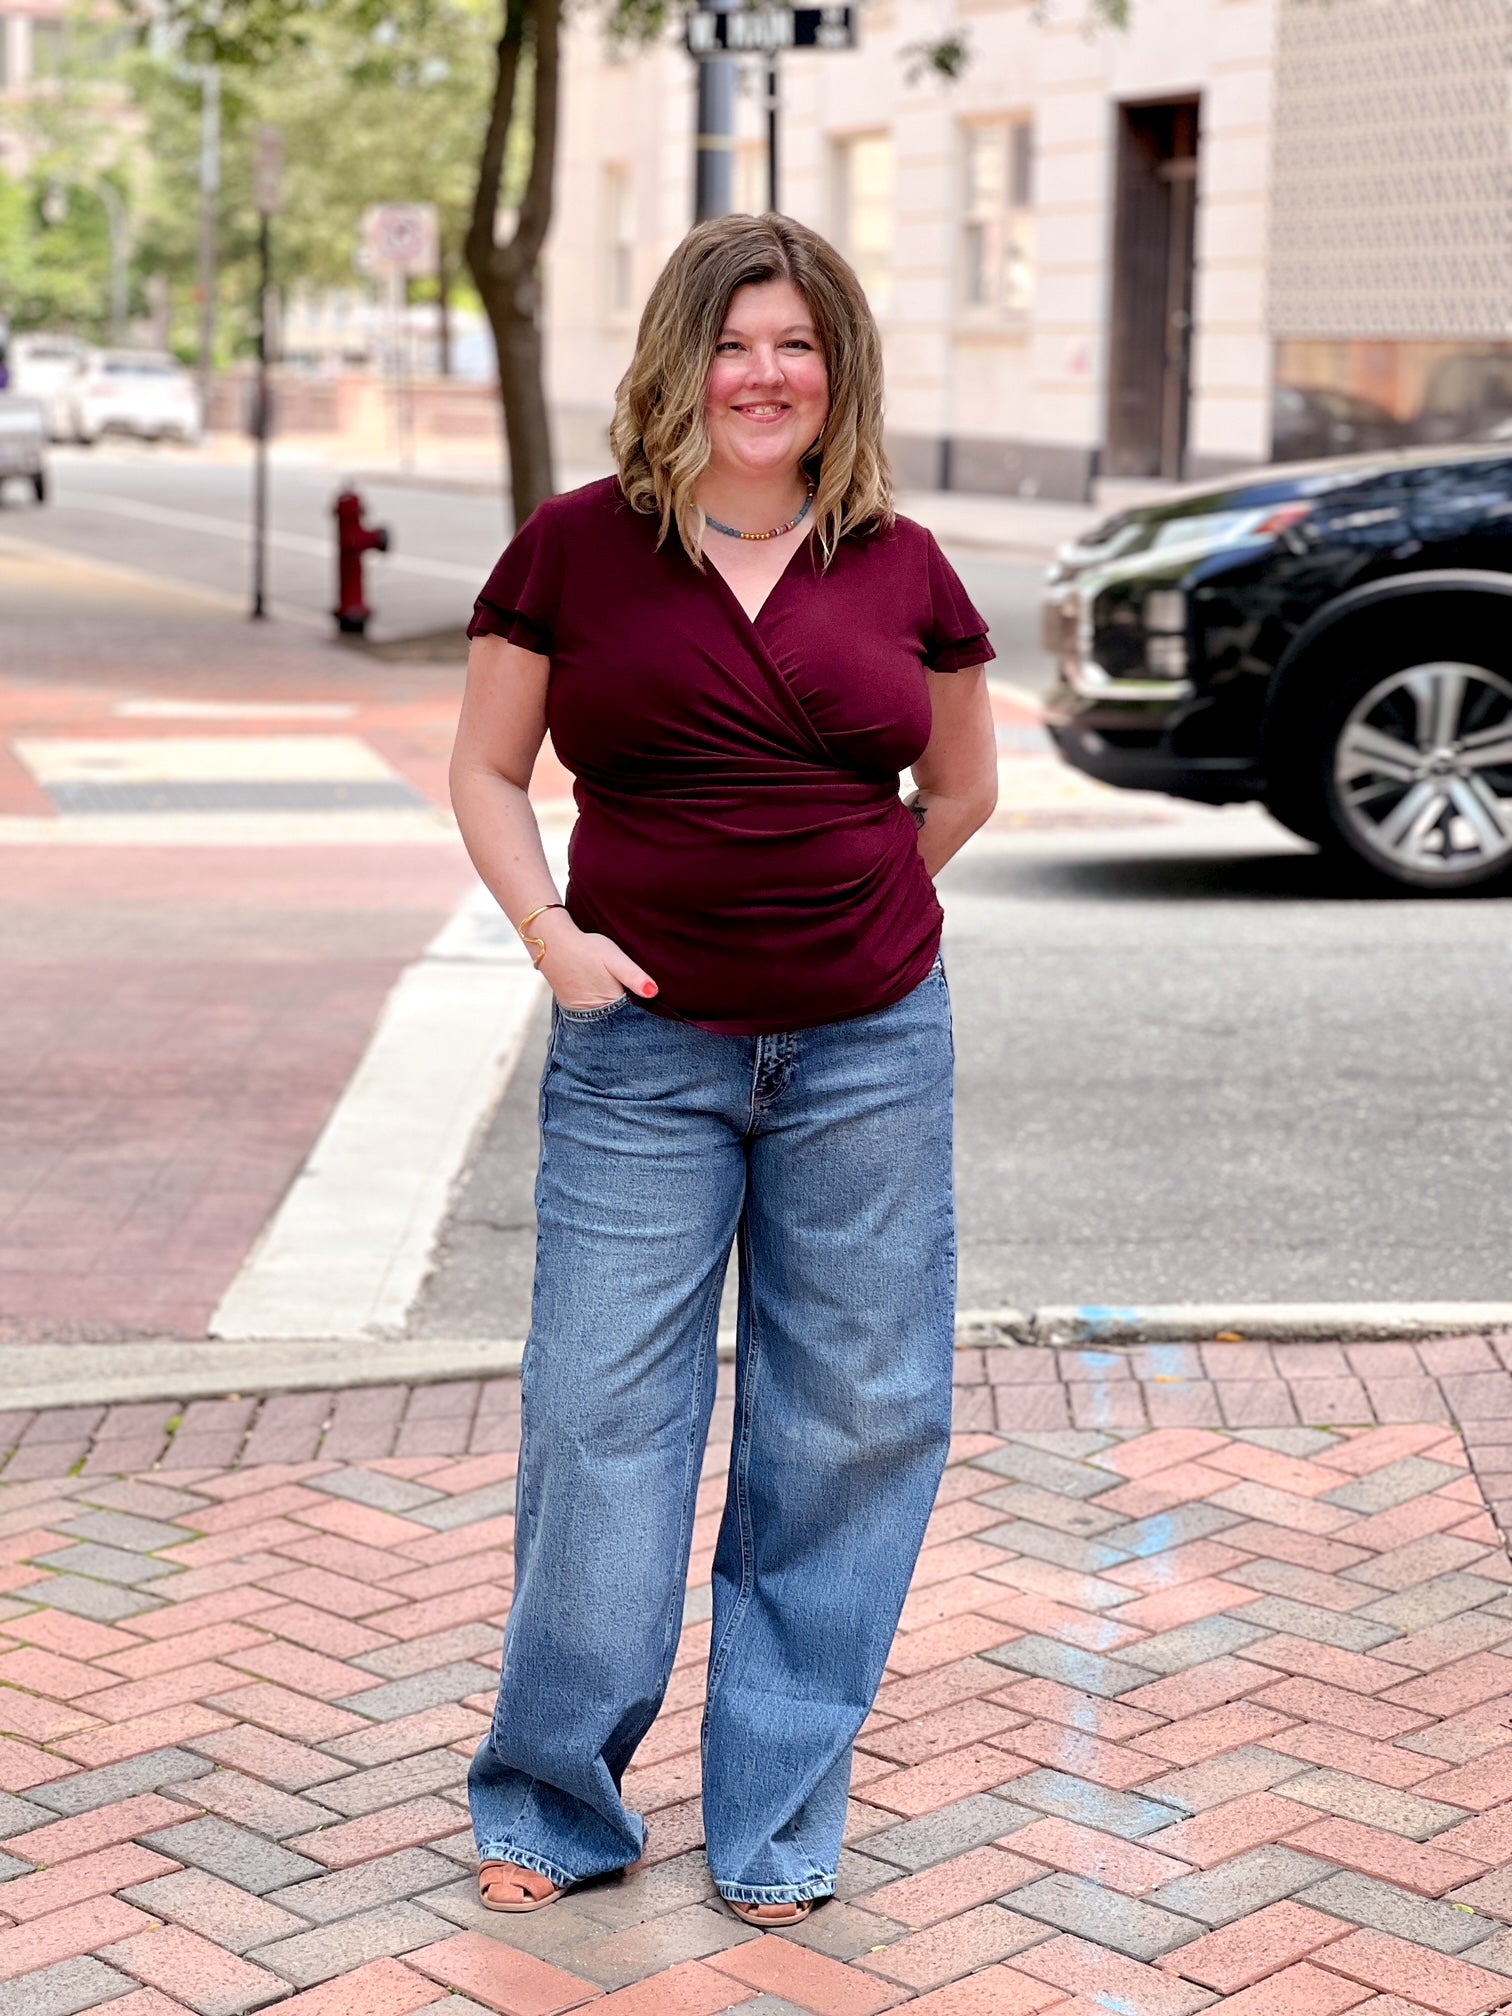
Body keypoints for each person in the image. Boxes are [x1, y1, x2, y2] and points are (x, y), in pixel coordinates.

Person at [449, 211, 998, 1927]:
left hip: (867, 1052)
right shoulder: (575, 551)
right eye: (732, 342)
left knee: (851, 1422)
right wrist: (551, 933)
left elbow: (962, 793)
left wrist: (857, 913)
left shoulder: (902, 562)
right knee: (603, 1418)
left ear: (838, 371)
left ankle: (775, 1808)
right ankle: (557, 1796)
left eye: (795, 344)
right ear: (679, 359)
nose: (763, 375)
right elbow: (485, 770)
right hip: (641, 1051)